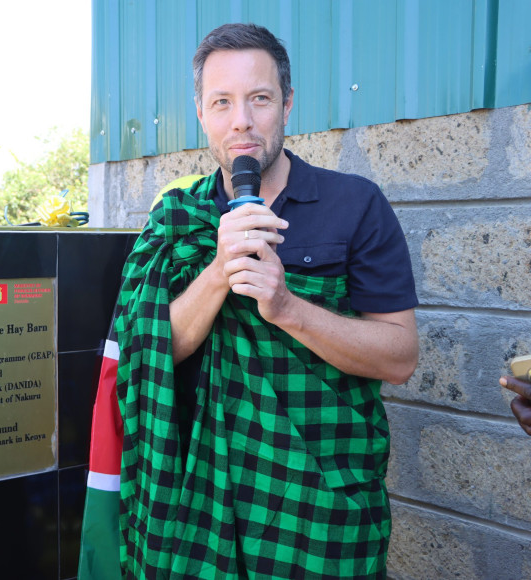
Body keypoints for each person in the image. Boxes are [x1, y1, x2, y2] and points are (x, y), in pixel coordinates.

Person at [112, 23, 419, 578]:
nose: (242, 121)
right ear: (200, 113)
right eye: (222, 102)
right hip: (198, 504)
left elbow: (399, 358)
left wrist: (288, 308)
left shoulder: (355, 205)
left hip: (320, 505)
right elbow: (146, 354)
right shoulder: (177, 218)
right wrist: (217, 272)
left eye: (259, 98)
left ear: (287, 103)